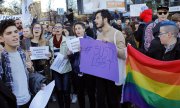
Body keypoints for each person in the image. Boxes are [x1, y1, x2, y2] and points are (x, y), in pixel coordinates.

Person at [94, 9, 126, 108]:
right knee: (100, 101)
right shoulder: (98, 35)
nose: (95, 20)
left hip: (112, 74)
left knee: (112, 101)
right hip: (100, 73)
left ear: (105, 19)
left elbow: (124, 54)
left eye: (97, 18)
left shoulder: (117, 33)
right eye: (95, 18)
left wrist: (111, 46)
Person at [0, 19, 34, 108]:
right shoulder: (1, 58)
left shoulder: (23, 53)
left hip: (28, 99)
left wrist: (30, 68)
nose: (14, 34)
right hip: (13, 103)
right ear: (1, 38)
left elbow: (30, 72)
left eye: (15, 32)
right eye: (9, 33)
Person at [70, 22, 96, 108]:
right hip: (77, 70)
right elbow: (72, 58)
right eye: (75, 29)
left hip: (89, 71)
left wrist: (85, 51)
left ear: (84, 29)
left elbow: (95, 56)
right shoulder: (72, 42)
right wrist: (70, 53)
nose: (77, 30)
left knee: (91, 93)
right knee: (80, 93)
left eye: (79, 28)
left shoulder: (90, 40)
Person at [49, 23, 72, 108]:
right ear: (53, 29)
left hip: (65, 67)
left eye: (59, 27)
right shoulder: (50, 40)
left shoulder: (67, 40)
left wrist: (70, 54)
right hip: (55, 68)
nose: (57, 29)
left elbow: (72, 52)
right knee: (59, 90)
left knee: (66, 90)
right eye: (55, 27)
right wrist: (49, 55)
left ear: (62, 29)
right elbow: (50, 54)